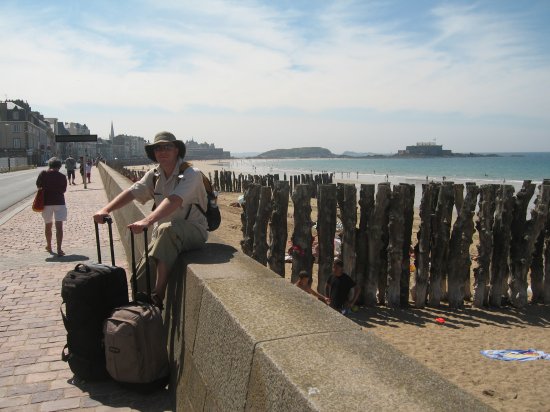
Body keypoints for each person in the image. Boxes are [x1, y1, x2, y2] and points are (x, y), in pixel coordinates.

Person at [93, 131, 208, 309]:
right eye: (157, 148)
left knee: (166, 229)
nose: (162, 151)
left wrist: (147, 221)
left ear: (176, 150)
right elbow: (132, 191)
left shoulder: (191, 174)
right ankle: (140, 317)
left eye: (167, 147)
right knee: (139, 278)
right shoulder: (154, 175)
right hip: (164, 236)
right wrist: (106, 209)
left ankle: (158, 296)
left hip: (193, 231)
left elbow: (174, 200)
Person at [37, 157, 68, 256]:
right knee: (59, 227)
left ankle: (49, 246)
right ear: (59, 166)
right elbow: (63, 190)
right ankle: (59, 249)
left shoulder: (44, 174)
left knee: (48, 225)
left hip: (46, 203)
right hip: (59, 202)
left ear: (49, 165)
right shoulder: (62, 176)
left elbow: (38, 185)